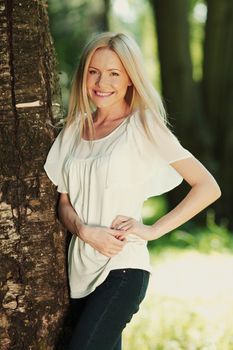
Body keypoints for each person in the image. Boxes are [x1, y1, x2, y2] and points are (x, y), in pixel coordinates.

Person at [43, 32, 221, 350]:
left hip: (123, 268)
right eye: (94, 71)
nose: (102, 82)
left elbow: (207, 186)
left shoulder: (142, 126)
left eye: (114, 73)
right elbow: (64, 202)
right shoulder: (71, 131)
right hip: (80, 272)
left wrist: (152, 230)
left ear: (130, 79)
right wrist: (83, 230)